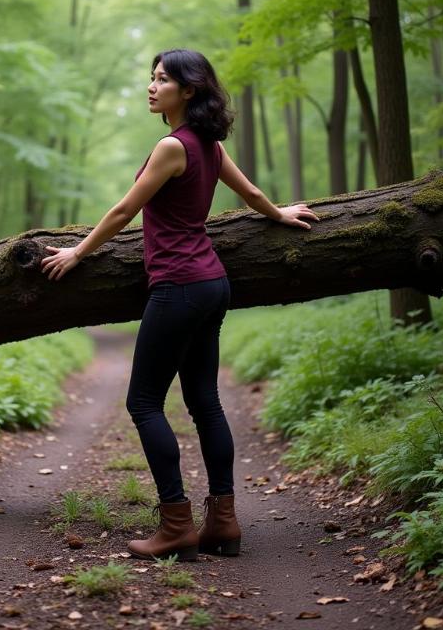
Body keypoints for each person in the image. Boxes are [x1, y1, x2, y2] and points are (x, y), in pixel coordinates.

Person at [40, 48, 318, 562]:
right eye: (151, 78)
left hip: (179, 288)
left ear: (188, 91)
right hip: (214, 285)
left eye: (162, 79)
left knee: (143, 403)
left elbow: (126, 207)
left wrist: (78, 251)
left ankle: (176, 524)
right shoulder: (208, 145)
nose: (151, 86)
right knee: (204, 401)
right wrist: (279, 212)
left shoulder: (173, 146)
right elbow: (251, 192)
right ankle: (224, 524)